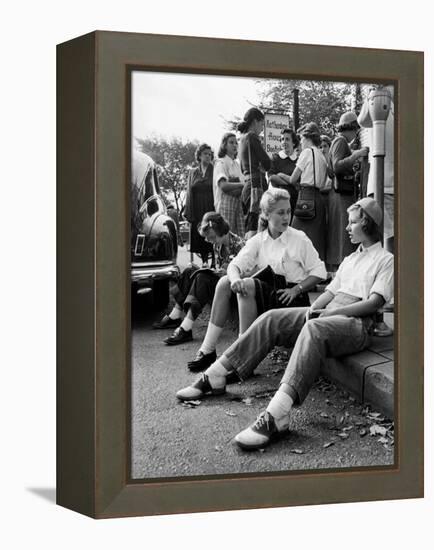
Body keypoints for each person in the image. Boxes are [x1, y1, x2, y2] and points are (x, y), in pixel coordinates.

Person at [176, 198, 393, 451]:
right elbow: (330, 292)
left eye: (352, 222)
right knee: (271, 318)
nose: (347, 227)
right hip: (331, 312)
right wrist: (313, 309)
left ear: (367, 224)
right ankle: (216, 375)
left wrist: (329, 313)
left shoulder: (385, 259)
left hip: (356, 322)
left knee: (313, 328)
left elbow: (374, 303)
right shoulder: (350, 259)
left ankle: (278, 414)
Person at [185, 187, 326, 372]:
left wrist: (296, 289)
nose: (286, 217)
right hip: (266, 295)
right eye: (280, 212)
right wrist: (235, 279)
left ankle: (242, 358)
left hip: (289, 298)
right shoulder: (259, 240)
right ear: (267, 215)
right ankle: (208, 349)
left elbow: (319, 272)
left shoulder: (299, 239)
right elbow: (234, 266)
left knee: (249, 285)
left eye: (289, 211)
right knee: (225, 282)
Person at [153, 212, 245, 344]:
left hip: (233, 290)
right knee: (190, 271)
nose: (208, 241)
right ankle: (175, 315)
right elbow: (220, 268)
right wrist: (214, 270)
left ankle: (186, 327)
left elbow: (247, 273)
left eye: (210, 237)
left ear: (218, 230)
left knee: (202, 278)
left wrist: (225, 273)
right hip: (222, 283)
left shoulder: (240, 245)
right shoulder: (218, 244)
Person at [327, 112, 369, 271]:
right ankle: (343, 269)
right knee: (344, 232)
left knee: (342, 232)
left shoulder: (340, 142)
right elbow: (337, 166)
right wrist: (357, 154)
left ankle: (340, 269)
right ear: (351, 127)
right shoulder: (340, 141)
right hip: (341, 195)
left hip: (339, 194)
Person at [290, 122, 328, 260]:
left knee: (294, 235)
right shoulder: (322, 157)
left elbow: (293, 179)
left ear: (307, 137)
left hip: (306, 197)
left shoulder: (307, 152)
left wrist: (281, 176)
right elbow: (323, 183)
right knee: (316, 239)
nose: (301, 142)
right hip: (319, 199)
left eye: (301, 139)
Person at [237, 108, 271, 238]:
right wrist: (263, 166)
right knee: (259, 227)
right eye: (261, 124)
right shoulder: (252, 137)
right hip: (257, 186)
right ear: (255, 122)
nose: (262, 128)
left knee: (250, 225)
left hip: (247, 186)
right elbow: (267, 163)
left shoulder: (242, 140)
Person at [184, 143, 216, 266]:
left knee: (212, 230)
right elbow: (188, 191)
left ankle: (214, 259)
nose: (208, 156)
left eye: (210, 154)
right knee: (200, 233)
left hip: (210, 205)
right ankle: (204, 261)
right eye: (205, 154)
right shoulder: (193, 172)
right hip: (197, 207)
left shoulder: (214, 169)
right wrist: (188, 212)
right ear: (199, 156)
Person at [213, 133, 245, 237]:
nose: (235, 145)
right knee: (226, 237)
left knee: (239, 236)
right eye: (231, 142)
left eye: (236, 143)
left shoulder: (236, 164)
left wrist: (237, 184)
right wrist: (240, 185)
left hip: (237, 203)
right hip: (225, 205)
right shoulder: (220, 163)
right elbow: (223, 186)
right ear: (224, 145)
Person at [268, 128, 300, 221]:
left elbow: (300, 182)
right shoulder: (275, 157)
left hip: (295, 200)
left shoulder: (298, 160)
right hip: (279, 200)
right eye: (282, 139)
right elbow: (272, 177)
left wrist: (281, 175)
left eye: (287, 139)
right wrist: (291, 181)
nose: (284, 142)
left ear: (293, 143)